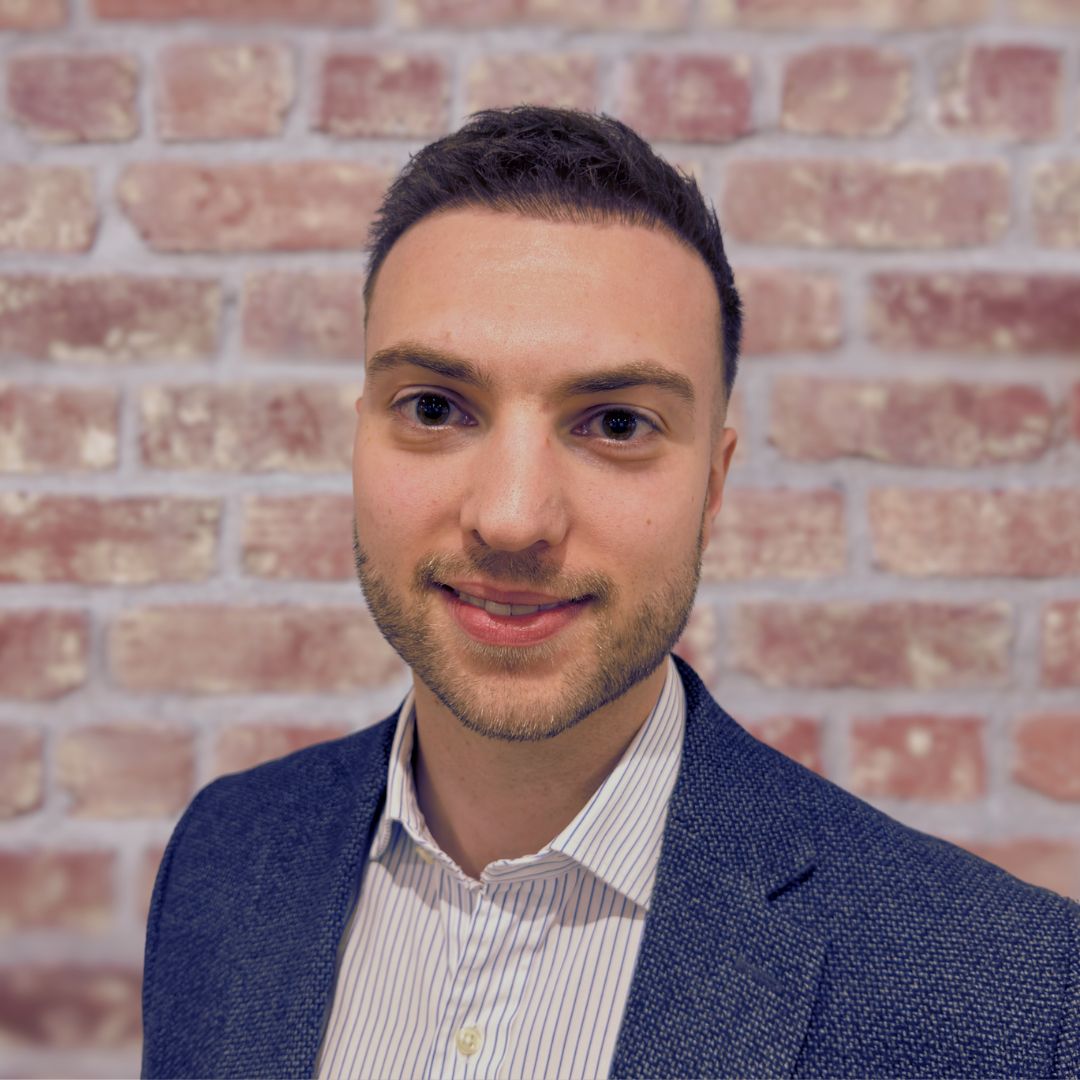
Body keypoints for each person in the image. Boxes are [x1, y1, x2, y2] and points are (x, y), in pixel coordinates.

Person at [141, 106, 1079, 1080]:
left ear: (712, 485)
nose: (512, 518)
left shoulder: (1014, 999)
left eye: (617, 424)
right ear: (359, 439)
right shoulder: (224, 860)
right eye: (433, 408)